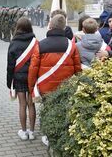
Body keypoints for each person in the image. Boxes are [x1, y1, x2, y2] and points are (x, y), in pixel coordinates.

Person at [28, 14, 81, 146]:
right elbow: (77, 69)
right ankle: (62, 135)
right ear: (64, 27)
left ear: (50, 25)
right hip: (66, 87)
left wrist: (31, 89)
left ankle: (47, 135)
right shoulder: (71, 45)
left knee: (47, 110)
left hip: (45, 87)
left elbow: (33, 69)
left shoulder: (40, 45)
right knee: (63, 111)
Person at [7, 17, 37, 140]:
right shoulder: (35, 42)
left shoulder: (13, 43)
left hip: (19, 78)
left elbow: (10, 65)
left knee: (22, 104)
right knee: (31, 105)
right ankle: (32, 132)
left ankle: (23, 132)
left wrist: (9, 83)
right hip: (32, 77)